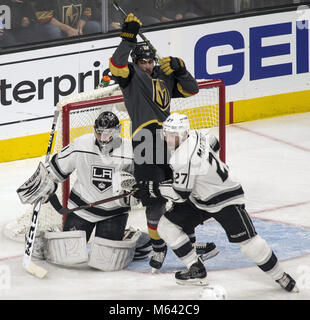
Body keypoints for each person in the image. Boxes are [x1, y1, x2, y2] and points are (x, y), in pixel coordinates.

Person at [108, 13, 218, 272]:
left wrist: (181, 67)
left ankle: (187, 242)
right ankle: (159, 248)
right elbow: (115, 64)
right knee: (153, 198)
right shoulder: (132, 75)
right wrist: (128, 36)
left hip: (172, 140)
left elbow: (192, 89)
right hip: (145, 139)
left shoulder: (164, 76)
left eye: (150, 60)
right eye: (143, 61)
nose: (147, 64)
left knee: (183, 193)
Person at [154, 112, 298, 292]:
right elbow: (215, 144)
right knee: (167, 226)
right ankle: (195, 268)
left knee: (250, 244)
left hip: (226, 198)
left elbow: (180, 194)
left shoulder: (182, 158)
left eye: (173, 135)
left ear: (183, 134)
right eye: (167, 133)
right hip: (201, 198)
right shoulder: (200, 134)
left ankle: (281, 276)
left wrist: (153, 189)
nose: (168, 138)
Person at [17, 111, 151, 271]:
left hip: (114, 212)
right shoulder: (81, 145)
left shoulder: (130, 151)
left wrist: (138, 189)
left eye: (108, 133)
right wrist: (45, 182)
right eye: (99, 132)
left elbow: (144, 181)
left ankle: (134, 238)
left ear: (117, 131)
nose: (102, 137)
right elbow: (56, 168)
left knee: (106, 262)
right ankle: (47, 238)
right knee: (68, 255)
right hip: (82, 209)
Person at [33, 0, 101, 41]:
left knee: (94, 26)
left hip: (74, 28)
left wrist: (81, 23)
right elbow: (43, 17)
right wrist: (68, 29)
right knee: (54, 31)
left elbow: (88, 8)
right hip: (52, 26)